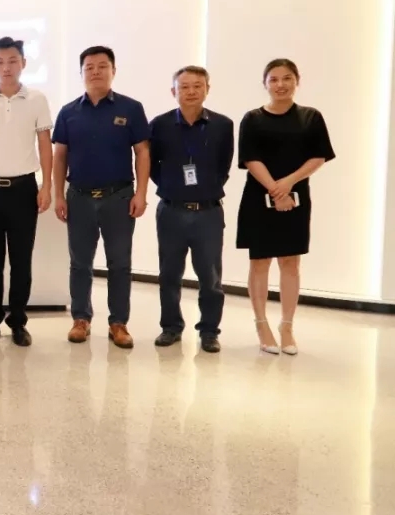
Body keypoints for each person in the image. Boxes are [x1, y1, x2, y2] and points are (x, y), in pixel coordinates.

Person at [52, 45, 150, 349]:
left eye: (102, 66)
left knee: (119, 263)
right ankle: (81, 319)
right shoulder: (68, 112)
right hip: (79, 197)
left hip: (118, 197)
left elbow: (142, 152)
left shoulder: (131, 108)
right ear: (81, 73)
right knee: (80, 263)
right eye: (89, 67)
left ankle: (118, 323)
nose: (95, 72)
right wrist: (58, 195)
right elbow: (60, 156)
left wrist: (141, 193)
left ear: (113, 71)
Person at [236, 58, 335, 355]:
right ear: (265, 84)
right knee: (260, 261)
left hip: (296, 197)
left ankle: (287, 326)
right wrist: (274, 188)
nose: (280, 84)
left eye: (287, 78)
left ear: (297, 81)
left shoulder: (310, 117)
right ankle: (262, 324)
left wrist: (288, 183)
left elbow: (319, 156)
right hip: (258, 196)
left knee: (291, 261)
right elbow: (250, 159)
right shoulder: (252, 119)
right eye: (274, 79)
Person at [0, 37, 53, 347]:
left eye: (12, 60)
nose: (6, 67)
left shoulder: (37, 99)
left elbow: (45, 144)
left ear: (23, 63)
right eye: (0, 62)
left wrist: (47, 185)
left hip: (23, 189)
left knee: (21, 261)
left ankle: (18, 321)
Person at [148, 66, 234, 354]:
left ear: (207, 89)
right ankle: (171, 327)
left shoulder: (223, 125)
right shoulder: (159, 125)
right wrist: (173, 188)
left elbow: (224, 166)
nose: (191, 91)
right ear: (174, 91)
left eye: (197, 85)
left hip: (208, 212)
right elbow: (153, 166)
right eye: (184, 86)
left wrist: (204, 189)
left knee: (210, 277)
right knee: (169, 274)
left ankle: (209, 331)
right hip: (171, 210)